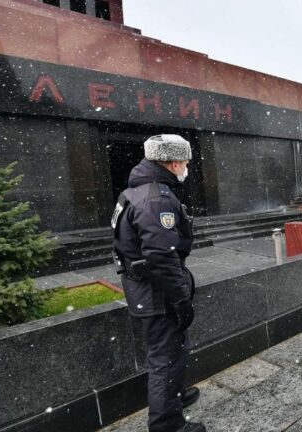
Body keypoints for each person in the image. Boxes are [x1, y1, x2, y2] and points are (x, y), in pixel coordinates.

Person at [111, 134, 205, 432]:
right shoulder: (156, 199)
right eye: (186, 162)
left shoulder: (136, 191)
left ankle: (174, 397)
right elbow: (162, 257)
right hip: (157, 293)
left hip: (147, 289)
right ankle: (167, 425)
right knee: (165, 358)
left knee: (173, 351)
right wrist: (181, 300)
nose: (187, 167)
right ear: (174, 162)